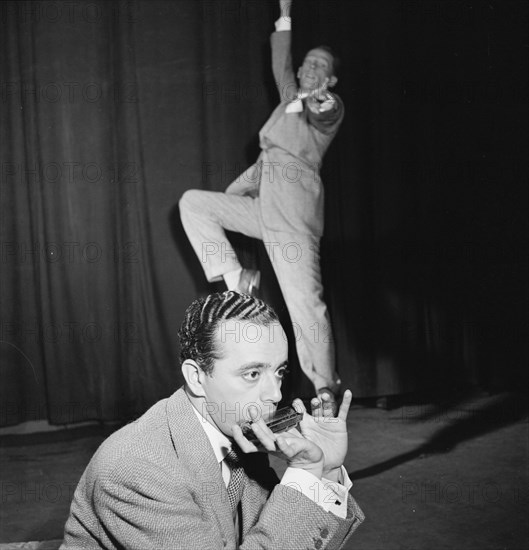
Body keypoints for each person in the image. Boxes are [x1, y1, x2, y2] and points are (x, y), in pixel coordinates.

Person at [61, 291, 364, 549]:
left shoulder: (235, 434)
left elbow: (290, 537)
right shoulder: (137, 470)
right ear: (196, 377)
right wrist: (303, 475)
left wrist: (325, 471)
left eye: (280, 372)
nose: (275, 393)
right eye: (253, 374)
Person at [179, 0, 345, 409]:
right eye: (308, 64)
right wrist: (285, 13)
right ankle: (237, 278)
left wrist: (323, 100)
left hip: (292, 216)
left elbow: (328, 111)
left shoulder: (324, 109)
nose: (310, 70)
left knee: (306, 306)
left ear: (331, 78)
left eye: (319, 67)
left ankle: (325, 389)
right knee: (194, 204)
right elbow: (281, 64)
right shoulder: (290, 94)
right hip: (262, 195)